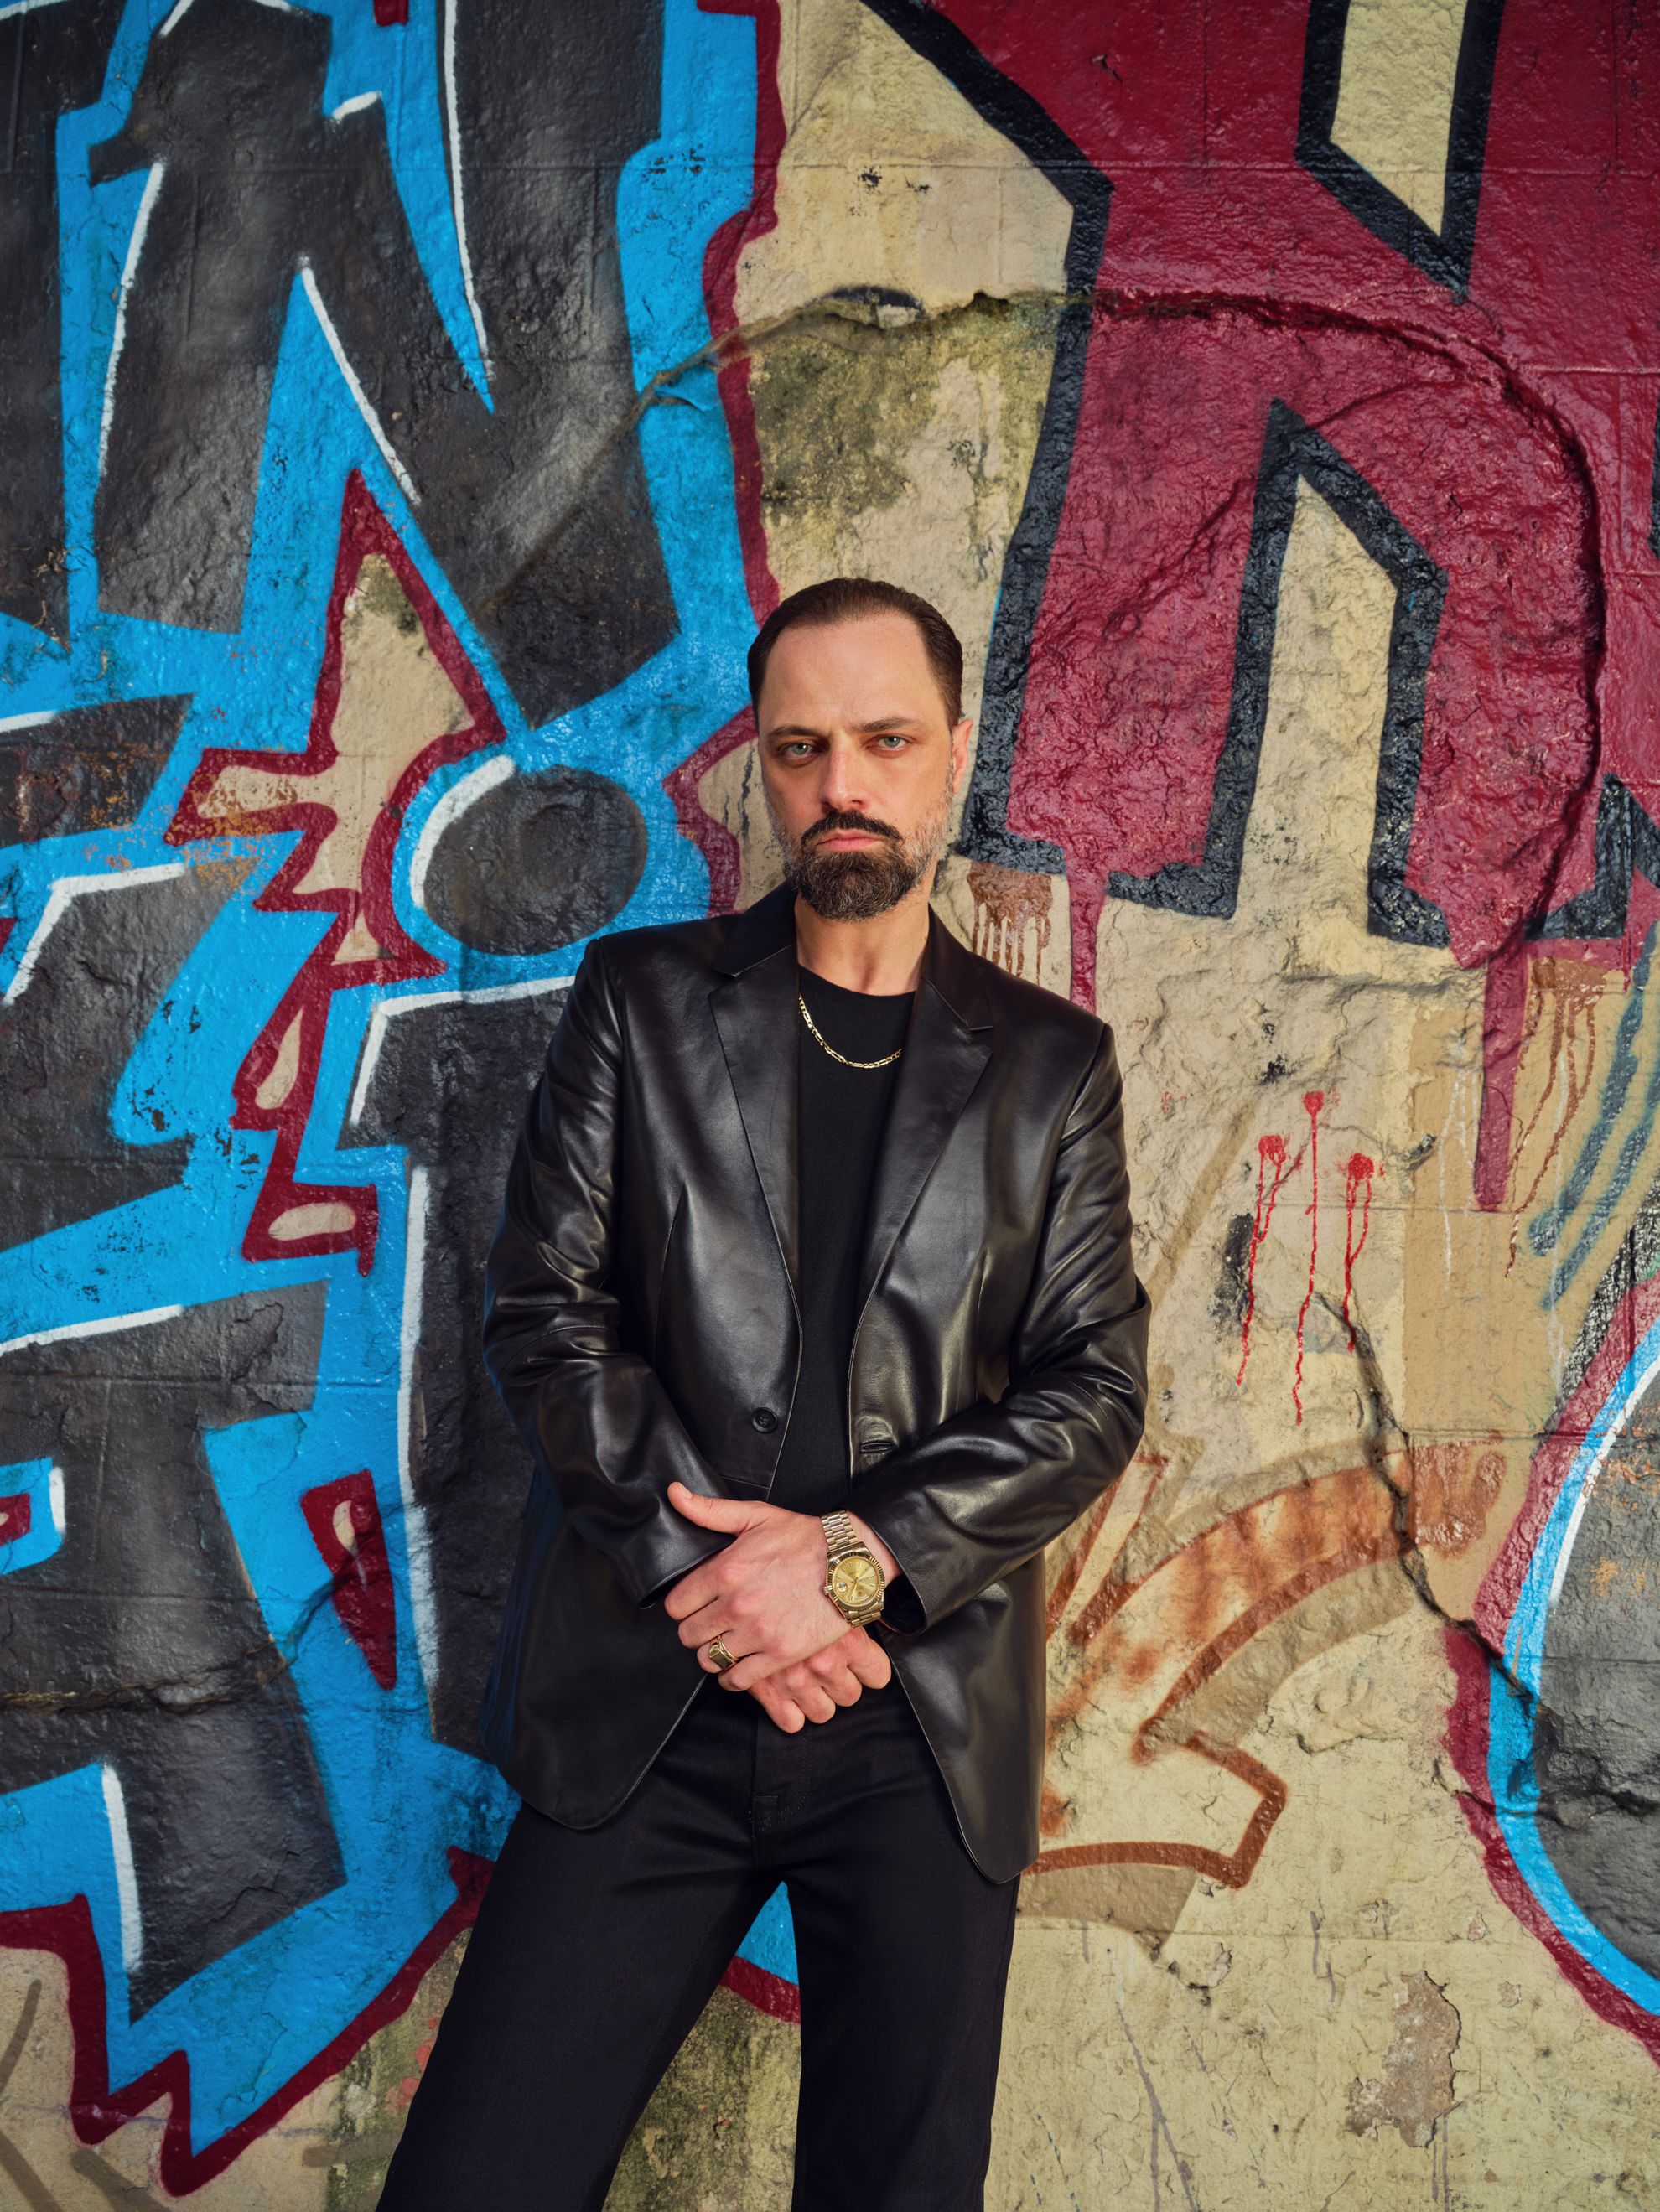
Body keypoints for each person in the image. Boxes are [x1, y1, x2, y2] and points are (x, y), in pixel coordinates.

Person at [376, 578, 1150, 2212]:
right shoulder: (641, 1002)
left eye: (885, 741)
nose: (841, 784)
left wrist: (853, 1563)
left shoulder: (1050, 1066)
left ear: (956, 754)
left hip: (919, 1722)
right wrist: (723, 1590)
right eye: (801, 749)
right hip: (645, 1701)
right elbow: (547, 1315)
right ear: (765, 769)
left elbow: (1093, 1388)